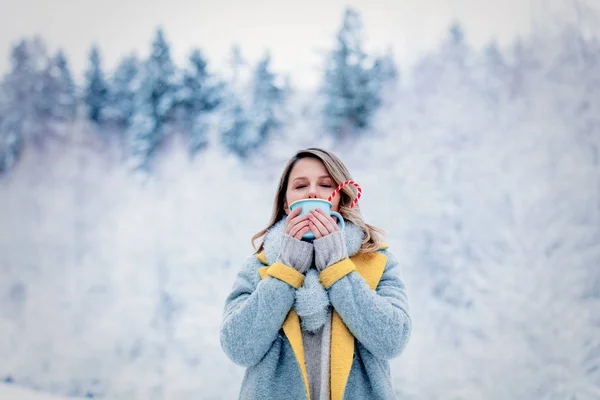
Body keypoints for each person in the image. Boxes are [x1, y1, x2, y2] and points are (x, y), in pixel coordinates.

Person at [220, 148, 412, 400]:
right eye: (300, 186)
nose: (312, 192)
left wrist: (336, 266)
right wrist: (287, 268)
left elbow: (392, 341)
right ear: (286, 205)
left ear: (341, 198)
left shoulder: (376, 261)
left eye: (325, 184)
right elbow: (238, 348)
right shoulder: (260, 266)